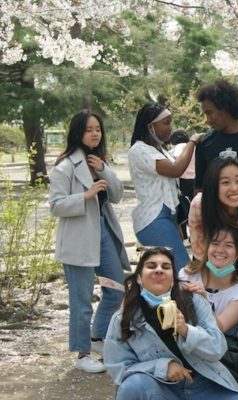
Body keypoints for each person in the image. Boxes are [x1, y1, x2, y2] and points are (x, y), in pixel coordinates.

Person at [103, 247, 238, 400]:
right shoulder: (124, 318)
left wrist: (186, 330)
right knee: (134, 385)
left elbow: (217, 349)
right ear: (138, 278)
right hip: (160, 388)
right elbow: (119, 368)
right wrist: (162, 367)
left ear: (173, 278)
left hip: (204, 385)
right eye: (151, 266)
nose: (159, 270)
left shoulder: (193, 301)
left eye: (166, 267)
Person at [49, 110, 129, 373]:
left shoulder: (99, 161)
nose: (95, 134)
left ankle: (96, 338)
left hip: (102, 232)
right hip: (78, 239)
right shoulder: (65, 166)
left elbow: (116, 197)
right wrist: (86, 195)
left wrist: (105, 170)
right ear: (78, 133)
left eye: (98, 129)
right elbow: (56, 205)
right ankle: (82, 353)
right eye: (89, 129)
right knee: (81, 300)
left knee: (116, 287)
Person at [128, 102, 201, 271]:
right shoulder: (139, 150)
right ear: (150, 126)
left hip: (166, 217)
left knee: (173, 277)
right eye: (166, 122)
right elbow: (176, 170)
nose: (170, 128)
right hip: (153, 220)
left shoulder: (159, 149)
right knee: (183, 271)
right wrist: (192, 141)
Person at [179, 227, 238, 385]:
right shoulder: (187, 274)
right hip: (184, 344)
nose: (220, 250)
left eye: (229, 245)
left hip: (219, 352)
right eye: (215, 243)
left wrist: (203, 298)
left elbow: (218, 328)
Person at [188, 157, 238, 271]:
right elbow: (199, 248)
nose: (234, 188)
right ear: (213, 186)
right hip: (208, 265)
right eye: (225, 182)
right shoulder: (199, 206)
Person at [169, 129, 196, 240]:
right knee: (196, 209)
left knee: (184, 209)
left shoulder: (173, 150)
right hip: (196, 181)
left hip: (181, 182)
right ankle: (194, 235)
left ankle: (184, 235)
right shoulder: (194, 147)